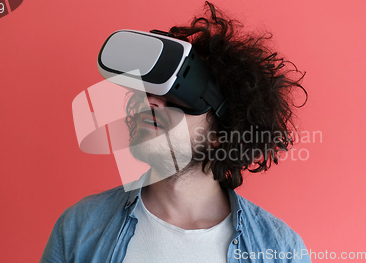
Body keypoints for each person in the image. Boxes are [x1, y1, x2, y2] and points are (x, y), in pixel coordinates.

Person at [40, 2, 311, 262]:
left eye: (179, 99)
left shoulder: (279, 250)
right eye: (151, 92)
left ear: (222, 134)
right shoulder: (79, 226)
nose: (152, 102)